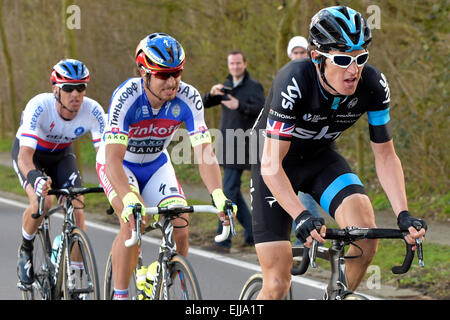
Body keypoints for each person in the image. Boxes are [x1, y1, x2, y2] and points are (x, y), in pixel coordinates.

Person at [250, 6, 427, 299]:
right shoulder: (294, 81)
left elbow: (385, 155)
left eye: (361, 58)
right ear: (317, 58)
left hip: (320, 160)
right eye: (343, 59)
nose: (354, 69)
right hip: (275, 165)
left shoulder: (373, 84)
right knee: (278, 284)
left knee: (365, 238)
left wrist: (403, 213)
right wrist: (301, 215)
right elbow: (271, 165)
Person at [96, 33, 235, 300]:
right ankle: (120, 294)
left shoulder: (189, 97)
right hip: (119, 164)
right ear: (144, 72)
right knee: (133, 223)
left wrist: (218, 195)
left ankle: (157, 282)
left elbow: (204, 151)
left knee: (181, 226)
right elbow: (113, 159)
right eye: (163, 75)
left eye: (177, 73)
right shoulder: (126, 97)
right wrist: (127, 198)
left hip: (157, 163)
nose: (172, 82)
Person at [14, 59, 106, 286]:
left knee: (77, 206)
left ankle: (75, 278)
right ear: (56, 89)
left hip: (62, 156)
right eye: (68, 88)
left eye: (81, 87)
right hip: (32, 156)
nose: (75, 94)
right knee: (43, 203)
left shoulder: (93, 111)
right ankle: (26, 248)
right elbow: (24, 156)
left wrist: (114, 183)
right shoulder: (39, 105)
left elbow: (105, 156)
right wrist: (35, 179)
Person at [202, 49, 265, 252]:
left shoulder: (254, 87)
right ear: (228, 65)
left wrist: (240, 106)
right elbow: (204, 104)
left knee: (227, 191)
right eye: (232, 64)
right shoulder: (225, 85)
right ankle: (253, 233)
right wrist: (211, 94)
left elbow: (262, 111)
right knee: (234, 192)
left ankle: (223, 241)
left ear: (244, 64)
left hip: (244, 145)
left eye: (238, 63)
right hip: (226, 145)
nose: (235, 67)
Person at [287, 36, 321, 245]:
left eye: (302, 52)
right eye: (295, 53)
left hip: (308, 150)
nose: (299, 56)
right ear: (290, 55)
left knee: (304, 197)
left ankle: (308, 241)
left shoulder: (313, 78)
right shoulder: (285, 79)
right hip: (283, 149)